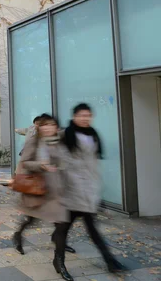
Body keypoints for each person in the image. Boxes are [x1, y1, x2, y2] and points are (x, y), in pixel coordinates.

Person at [53, 104, 125, 280]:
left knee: (92, 229)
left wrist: (95, 190)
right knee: (63, 230)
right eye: (81, 115)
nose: (85, 118)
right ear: (75, 116)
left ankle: (110, 261)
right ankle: (59, 262)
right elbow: (62, 164)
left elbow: (93, 166)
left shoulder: (93, 134)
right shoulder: (66, 135)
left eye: (88, 115)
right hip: (70, 192)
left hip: (87, 192)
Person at [12, 114, 71, 275]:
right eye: (44, 125)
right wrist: (41, 166)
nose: (47, 128)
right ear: (39, 127)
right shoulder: (34, 142)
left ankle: (59, 261)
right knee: (31, 220)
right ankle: (18, 235)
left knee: (61, 225)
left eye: (51, 125)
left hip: (56, 191)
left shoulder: (59, 142)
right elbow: (25, 162)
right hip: (38, 190)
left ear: (56, 127)